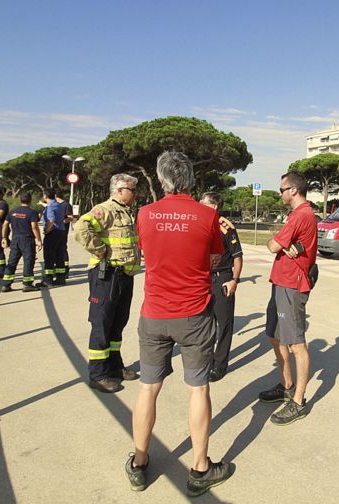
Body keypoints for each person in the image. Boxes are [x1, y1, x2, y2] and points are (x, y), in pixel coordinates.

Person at [127, 151, 233, 497]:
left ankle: (140, 462)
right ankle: (200, 467)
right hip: (194, 315)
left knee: (147, 388)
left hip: (154, 313)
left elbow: (146, 251)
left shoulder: (144, 214)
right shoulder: (207, 216)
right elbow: (215, 258)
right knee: (198, 389)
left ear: (160, 180)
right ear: (191, 179)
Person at [259, 171, 318, 426]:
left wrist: (280, 243)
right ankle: (286, 384)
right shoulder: (297, 215)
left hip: (292, 285)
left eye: (282, 189)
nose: (280, 193)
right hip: (281, 282)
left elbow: (271, 245)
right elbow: (275, 244)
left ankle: (298, 401)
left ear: (293, 190)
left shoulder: (302, 215)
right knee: (274, 335)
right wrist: (283, 243)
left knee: (296, 344)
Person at [74, 174, 141, 394]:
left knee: (117, 324)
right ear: (120, 190)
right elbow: (81, 228)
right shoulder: (106, 209)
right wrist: (101, 251)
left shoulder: (125, 211)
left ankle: (115, 366)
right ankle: (98, 374)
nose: (135, 193)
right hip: (107, 276)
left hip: (123, 275)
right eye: (133, 189)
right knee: (101, 324)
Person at [199, 192, 243, 382]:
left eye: (204, 202)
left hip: (222, 278)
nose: (200, 204)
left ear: (214, 206)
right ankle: (206, 360)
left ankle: (220, 365)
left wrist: (234, 280)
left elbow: (238, 257)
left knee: (224, 323)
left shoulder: (226, 227)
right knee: (205, 323)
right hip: (202, 278)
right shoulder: (199, 222)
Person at [0, 192, 44, 292]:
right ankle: (27, 284)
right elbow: (34, 226)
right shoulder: (32, 212)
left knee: (12, 261)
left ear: (20, 200)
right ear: (30, 200)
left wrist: (4, 238)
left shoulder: (12, 211)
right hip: (27, 240)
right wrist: (39, 240)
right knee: (28, 261)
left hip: (15, 239)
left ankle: (6, 284)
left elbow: (5, 224)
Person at [41, 188, 67, 286]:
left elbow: (51, 220)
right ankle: (61, 278)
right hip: (61, 231)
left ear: (45, 196)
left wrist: (46, 230)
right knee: (59, 256)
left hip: (53, 233)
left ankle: (48, 280)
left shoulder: (50, 206)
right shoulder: (60, 205)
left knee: (49, 256)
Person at [56, 190, 75, 279]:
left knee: (62, 249)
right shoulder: (55, 205)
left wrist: (62, 221)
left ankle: (65, 269)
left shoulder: (66, 205)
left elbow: (70, 217)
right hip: (54, 232)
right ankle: (57, 269)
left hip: (63, 231)